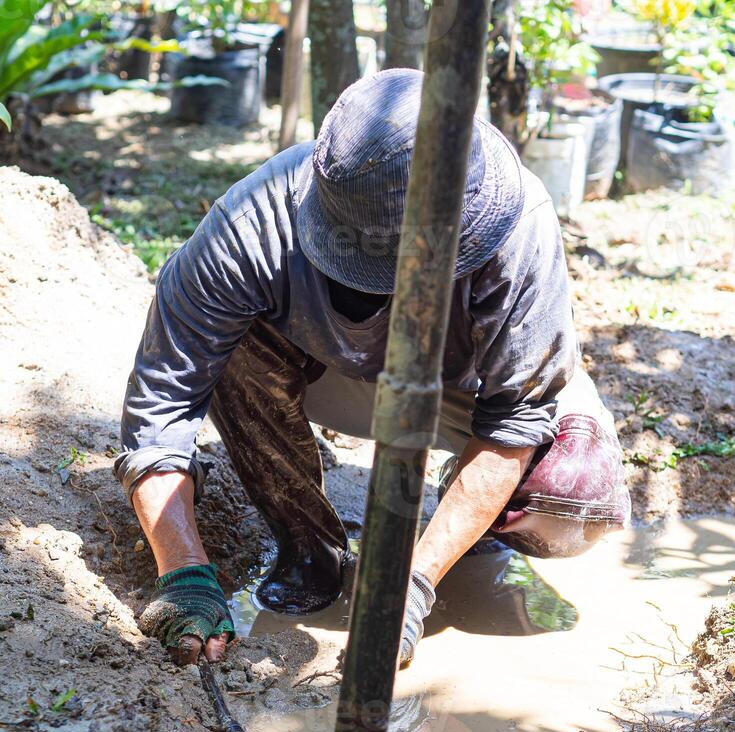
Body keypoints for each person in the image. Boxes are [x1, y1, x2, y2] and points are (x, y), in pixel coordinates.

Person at [115, 69, 630, 669]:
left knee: (571, 496)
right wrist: (183, 573)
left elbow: (516, 418)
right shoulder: (249, 228)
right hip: (325, 377)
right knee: (230, 350)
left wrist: (411, 585)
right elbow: (160, 409)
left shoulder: (520, 224)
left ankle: (461, 534)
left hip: (462, 392)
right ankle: (308, 547)